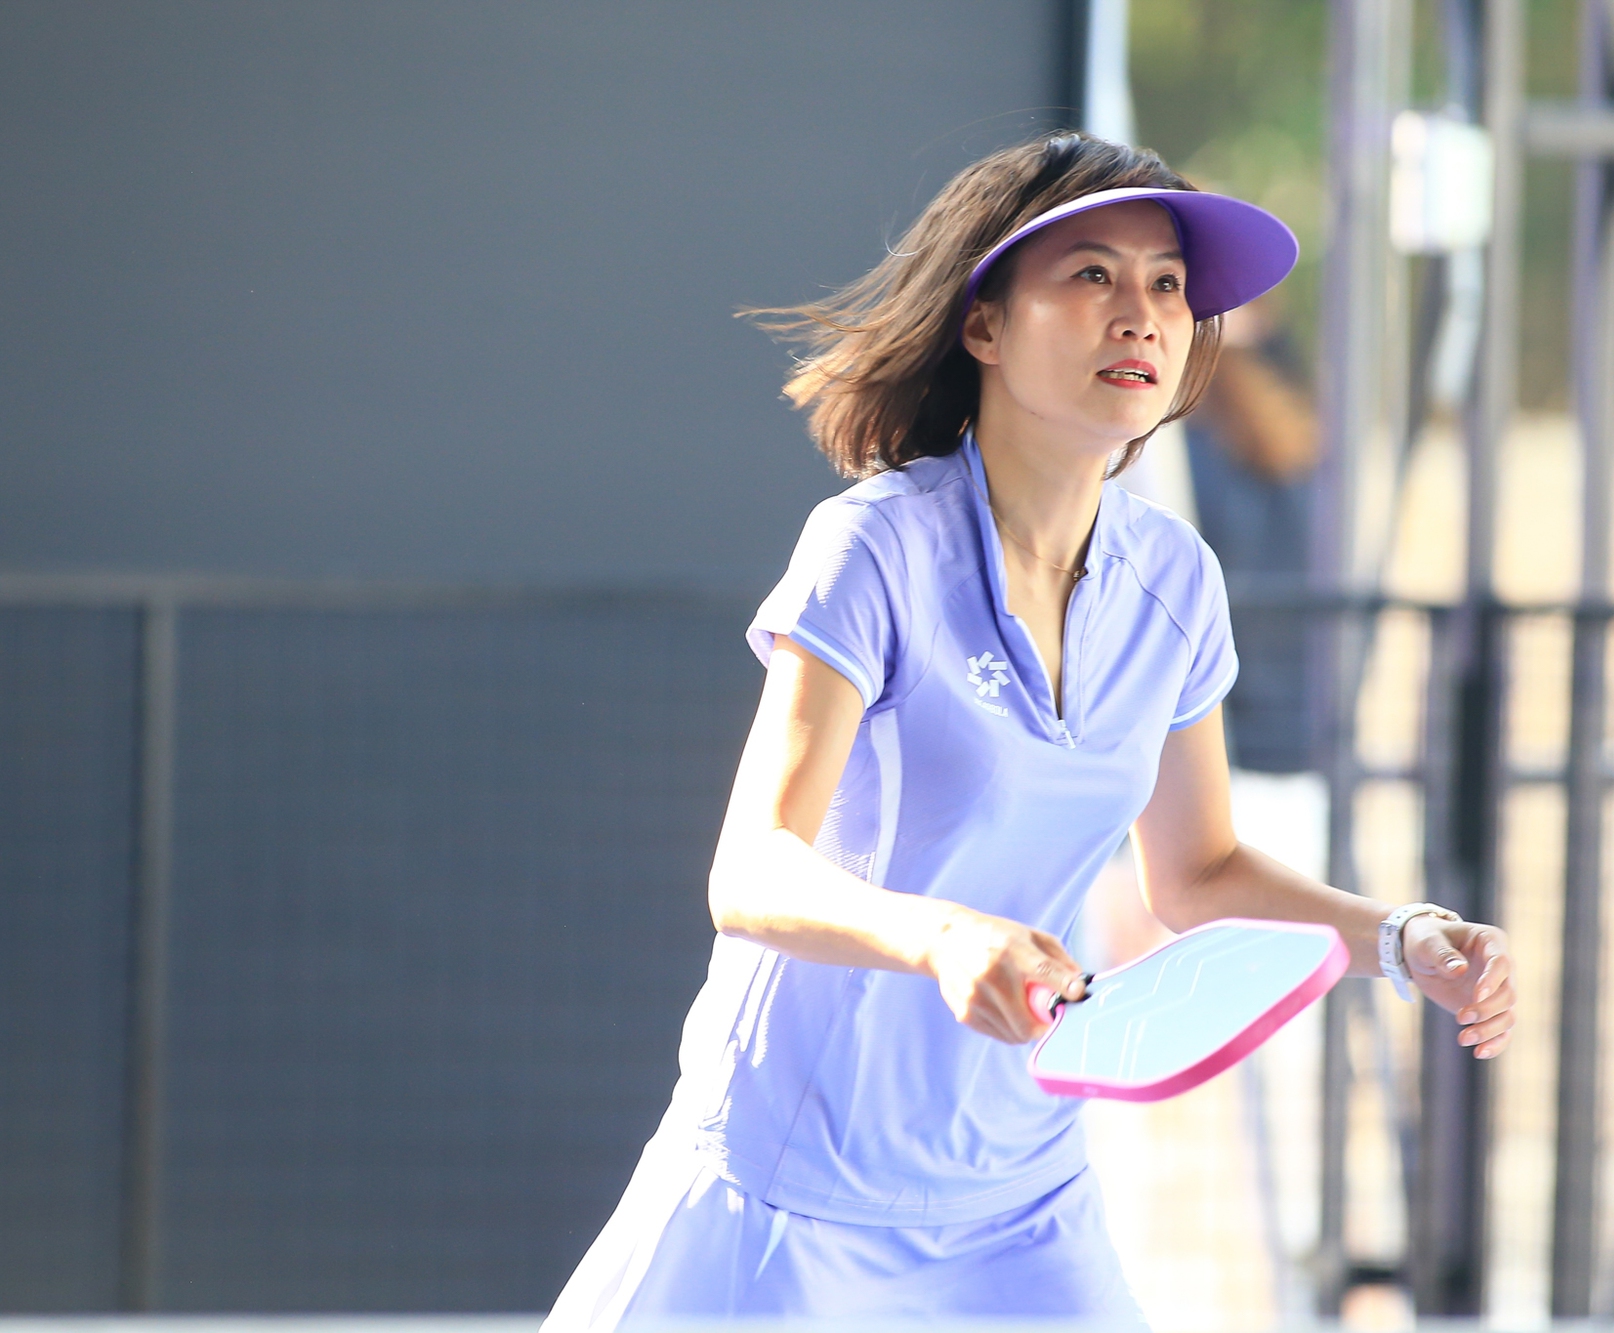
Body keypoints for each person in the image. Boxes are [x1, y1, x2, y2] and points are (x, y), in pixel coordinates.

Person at [541, 133, 1516, 1327]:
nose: (1141, 315)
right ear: (984, 327)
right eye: (1090, 276)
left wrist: (1398, 937)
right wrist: (939, 937)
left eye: (1166, 285)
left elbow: (1197, 872)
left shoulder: (1175, 581)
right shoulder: (874, 549)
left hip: (1017, 1199)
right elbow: (749, 871)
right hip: (787, 1187)